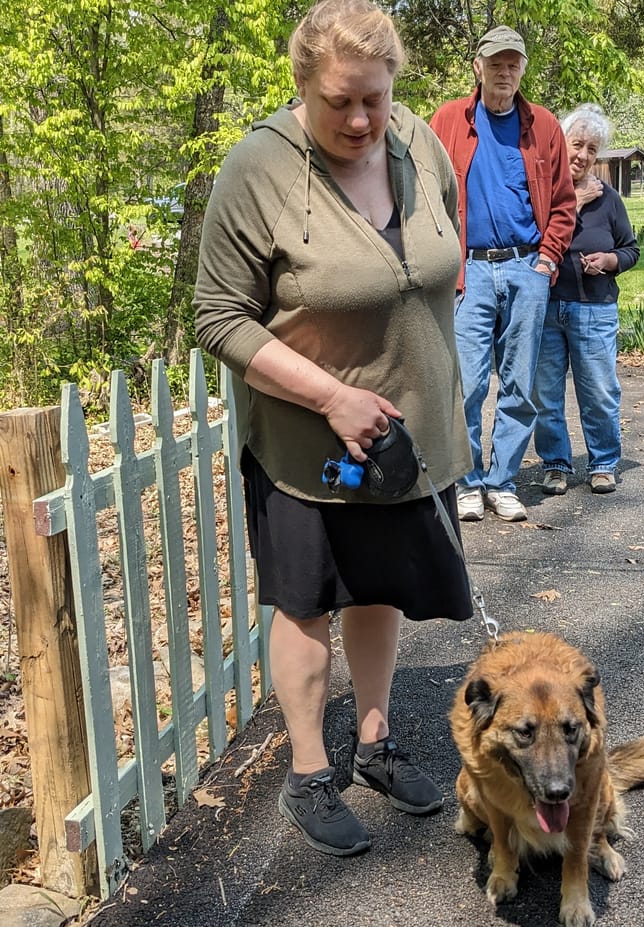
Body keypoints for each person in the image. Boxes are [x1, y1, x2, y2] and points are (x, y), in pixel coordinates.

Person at [194, 0, 473, 858]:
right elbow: (219, 317)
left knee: (380, 586)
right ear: (302, 88)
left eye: (373, 100)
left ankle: (376, 743)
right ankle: (310, 771)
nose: (358, 120)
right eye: (338, 102)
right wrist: (332, 397)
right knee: (308, 602)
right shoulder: (258, 169)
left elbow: (439, 254)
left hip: (408, 438)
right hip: (308, 447)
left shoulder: (418, 144)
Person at [430, 26, 575, 523]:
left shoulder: (544, 126)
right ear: (479, 67)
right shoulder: (449, 120)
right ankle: (468, 482)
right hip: (467, 269)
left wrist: (547, 261)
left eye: (513, 64)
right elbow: (424, 192)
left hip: (526, 266)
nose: (504, 73)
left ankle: (503, 481)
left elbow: (563, 203)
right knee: (467, 384)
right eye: (496, 63)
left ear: (522, 71)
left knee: (520, 384)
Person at [532, 103, 639, 495]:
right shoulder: (542, 191)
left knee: (599, 391)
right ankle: (556, 464)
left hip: (595, 308)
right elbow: (534, 238)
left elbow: (630, 249)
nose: (582, 154)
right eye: (577, 144)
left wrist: (610, 261)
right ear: (561, 143)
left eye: (592, 149)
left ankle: (604, 462)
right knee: (546, 393)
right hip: (547, 306)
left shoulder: (609, 199)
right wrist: (574, 203)